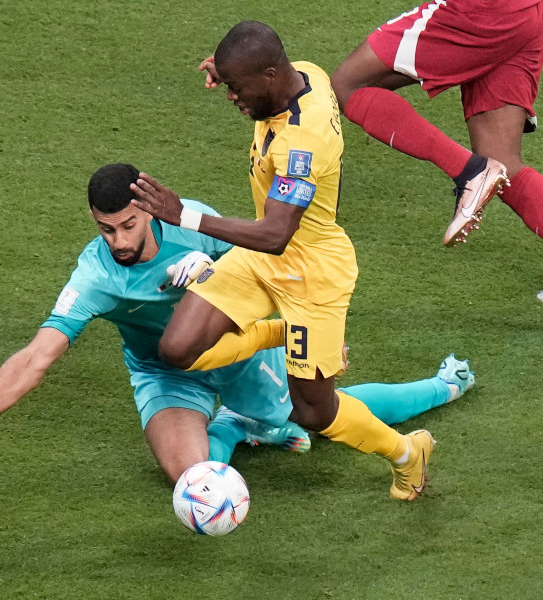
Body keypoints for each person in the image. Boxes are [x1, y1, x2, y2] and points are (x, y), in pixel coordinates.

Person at [0, 163, 476, 485]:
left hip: (239, 350)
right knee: (190, 477)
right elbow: (39, 353)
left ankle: (441, 385)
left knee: (320, 412)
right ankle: (236, 427)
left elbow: (272, 268)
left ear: (148, 210)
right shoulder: (95, 277)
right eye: (107, 230)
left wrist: (278, 320)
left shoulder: (192, 221)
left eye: (129, 225)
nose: (121, 241)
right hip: (166, 374)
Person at [130, 21, 438, 501]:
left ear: (271, 75)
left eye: (237, 87)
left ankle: (405, 453)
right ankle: (282, 334)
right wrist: (233, 72)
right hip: (259, 258)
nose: (232, 96)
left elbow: (276, 234)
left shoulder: (304, 142)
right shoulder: (304, 75)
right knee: (175, 349)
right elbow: (268, 240)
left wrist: (183, 216)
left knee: (313, 413)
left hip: (311, 272)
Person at [328, 0, 543, 317]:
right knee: (502, 162)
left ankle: (471, 173)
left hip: (479, 12)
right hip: (523, 15)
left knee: (346, 85)